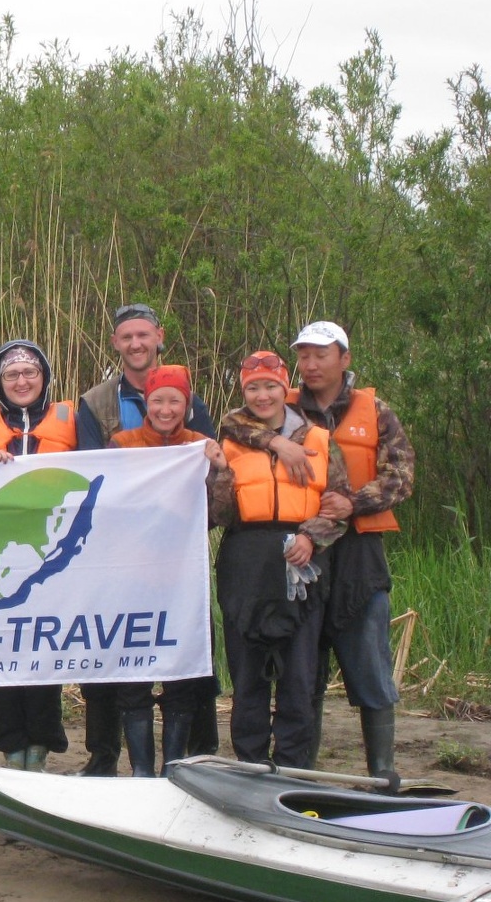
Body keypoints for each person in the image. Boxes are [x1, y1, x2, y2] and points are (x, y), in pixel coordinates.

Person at [220, 321, 414, 784]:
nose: (311, 364)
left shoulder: (376, 410)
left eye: (320, 354)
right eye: (304, 356)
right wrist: (275, 440)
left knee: (366, 656)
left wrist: (353, 501)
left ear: (343, 359)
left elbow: (402, 475)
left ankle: (381, 773)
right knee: (302, 665)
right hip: (291, 555)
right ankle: (301, 767)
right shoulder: (280, 404)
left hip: (356, 551)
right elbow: (230, 422)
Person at [75, 302, 219, 776]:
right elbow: (96, 483)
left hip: (179, 565)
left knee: (185, 664)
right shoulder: (103, 411)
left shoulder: (197, 429)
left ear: (159, 337)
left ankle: (187, 762)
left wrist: (218, 469)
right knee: (126, 667)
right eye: (126, 336)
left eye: (144, 335)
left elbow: (216, 501)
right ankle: (120, 763)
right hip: (125, 563)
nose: (136, 344)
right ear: (116, 343)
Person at [214, 351, 349, 769]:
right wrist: (218, 474)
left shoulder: (320, 439)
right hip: (245, 562)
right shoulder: (230, 440)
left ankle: (292, 765)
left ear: (285, 387)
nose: (262, 395)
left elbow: (339, 506)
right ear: (243, 390)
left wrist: (312, 536)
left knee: (299, 673)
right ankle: (251, 763)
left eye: (270, 386)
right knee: (248, 674)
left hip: (301, 564)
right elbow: (217, 513)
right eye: (253, 387)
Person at [108, 365, 233, 774]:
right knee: (132, 678)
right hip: (132, 578)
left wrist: (220, 470)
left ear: (187, 404)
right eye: (158, 400)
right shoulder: (122, 444)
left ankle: (174, 768)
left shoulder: (200, 445)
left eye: (174, 401)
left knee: (182, 676)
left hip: (182, 580)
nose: (165, 409)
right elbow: (108, 506)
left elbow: (219, 515)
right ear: (146, 401)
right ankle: (142, 771)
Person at [0, 339, 75, 772]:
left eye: (30, 373)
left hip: (52, 552)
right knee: (4, 651)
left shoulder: (69, 419)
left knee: (44, 651)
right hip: (2, 553)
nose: (21, 381)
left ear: (43, 377)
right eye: (12, 375)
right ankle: (10, 745)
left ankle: (41, 747)